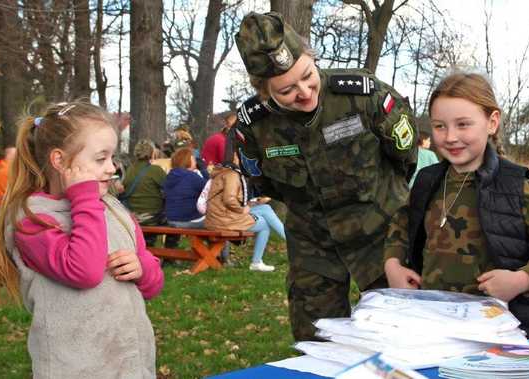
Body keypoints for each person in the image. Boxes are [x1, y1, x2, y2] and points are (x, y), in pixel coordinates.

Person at [233, 12, 418, 340]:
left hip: (384, 235)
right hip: (313, 245)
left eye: (308, 75)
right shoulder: (254, 127)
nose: (304, 92)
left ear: (312, 57)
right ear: (264, 93)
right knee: (317, 343)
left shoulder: (362, 96)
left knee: (402, 336)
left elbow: (405, 154)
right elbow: (265, 183)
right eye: (287, 90)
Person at [383, 72, 529, 338]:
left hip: (502, 328)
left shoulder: (515, 185)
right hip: (433, 324)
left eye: (463, 124)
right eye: (440, 126)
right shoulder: (427, 180)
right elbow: (401, 223)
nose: (450, 137)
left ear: (492, 122)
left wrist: (521, 280)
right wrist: (392, 264)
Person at [0, 101, 164, 377]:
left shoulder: (112, 208)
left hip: (128, 361)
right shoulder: (33, 219)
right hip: (73, 367)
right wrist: (83, 197)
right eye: (100, 158)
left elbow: (153, 283)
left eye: (112, 157)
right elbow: (85, 271)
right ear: (59, 160)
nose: (112, 168)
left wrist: (142, 267)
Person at [205, 144, 286, 272]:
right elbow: (229, 199)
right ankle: (260, 260)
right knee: (264, 224)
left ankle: (289, 240)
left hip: (219, 216)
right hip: (223, 219)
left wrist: (251, 204)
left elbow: (231, 199)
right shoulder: (232, 175)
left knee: (265, 208)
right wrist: (242, 210)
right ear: (236, 158)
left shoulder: (225, 171)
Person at [122, 139, 176, 247]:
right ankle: (169, 256)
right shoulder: (155, 170)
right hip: (152, 217)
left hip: (131, 215)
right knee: (175, 225)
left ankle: (147, 247)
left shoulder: (129, 170)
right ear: (152, 153)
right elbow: (169, 189)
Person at [164, 147, 209, 229]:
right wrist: (203, 170)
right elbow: (210, 188)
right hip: (188, 219)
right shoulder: (191, 176)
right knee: (216, 222)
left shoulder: (169, 176)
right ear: (189, 160)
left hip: (171, 219)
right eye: (193, 158)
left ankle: (173, 241)